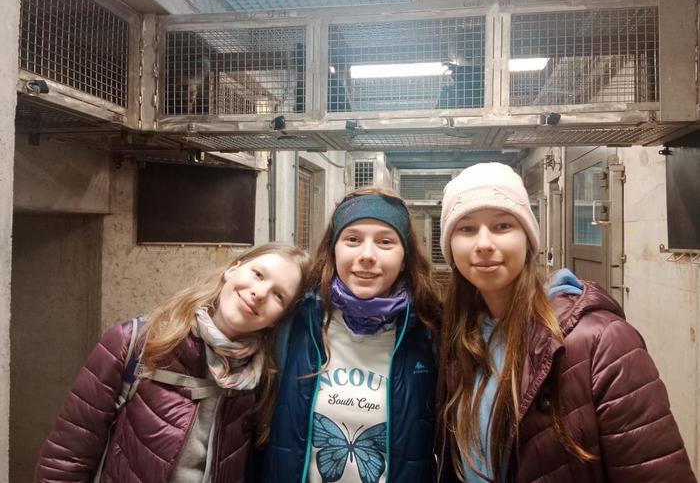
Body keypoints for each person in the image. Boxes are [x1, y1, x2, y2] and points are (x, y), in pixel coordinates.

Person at [436, 163, 695, 483]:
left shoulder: (602, 342)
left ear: (528, 239)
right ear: (450, 246)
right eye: (466, 228)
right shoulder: (458, 339)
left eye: (503, 225)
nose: (484, 243)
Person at [35, 242, 310, 483]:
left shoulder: (264, 379)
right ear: (232, 269)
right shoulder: (134, 344)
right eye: (258, 274)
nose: (260, 293)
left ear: (278, 318)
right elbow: (67, 457)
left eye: (279, 296)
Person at [262, 188, 442, 483]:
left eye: (385, 242)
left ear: (404, 258)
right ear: (333, 250)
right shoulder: (297, 322)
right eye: (353, 240)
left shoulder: (429, 332)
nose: (367, 255)